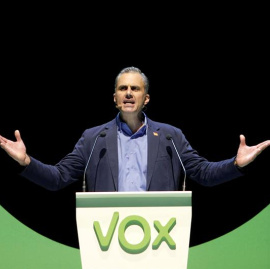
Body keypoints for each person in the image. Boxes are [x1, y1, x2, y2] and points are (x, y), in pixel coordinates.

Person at [0, 66, 269, 192]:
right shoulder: (94, 139)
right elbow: (58, 178)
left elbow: (203, 173)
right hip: (106, 235)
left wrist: (235, 164)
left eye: (135, 89)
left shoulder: (169, 136)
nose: (129, 93)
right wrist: (26, 162)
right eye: (122, 89)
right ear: (115, 98)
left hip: (160, 236)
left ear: (146, 98)